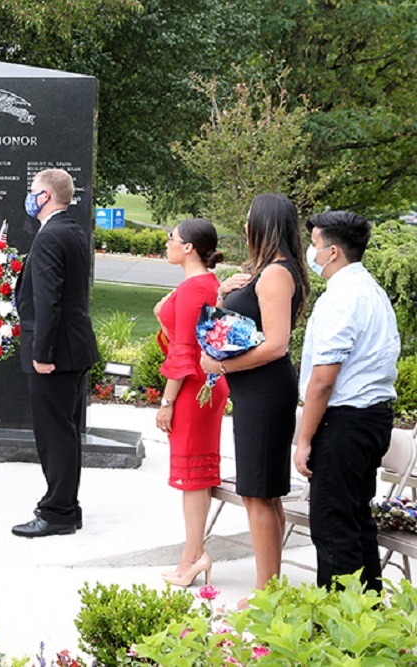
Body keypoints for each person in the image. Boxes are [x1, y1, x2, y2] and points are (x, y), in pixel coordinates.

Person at [201, 193, 308, 593]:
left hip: (265, 392)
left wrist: (222, 366)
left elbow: (276, 344)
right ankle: (272, 588)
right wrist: (222, 295)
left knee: (258, 494)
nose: (245, 226)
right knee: (263, 494)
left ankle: (267, 594)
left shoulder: (277, 273)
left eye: (249, 219)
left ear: (263, 224)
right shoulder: (265, 271)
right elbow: (239, 327)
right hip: (255, 393)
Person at [294, 211, 399, 592]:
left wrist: (304, 439)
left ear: (333, 251)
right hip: (372, 419)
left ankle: (338, 631)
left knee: (333, 525)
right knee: (357, 521)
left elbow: (323, 380)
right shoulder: (370, 290)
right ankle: (368, 622)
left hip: (346, 422)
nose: (312, 251)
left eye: (315, 244)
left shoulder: (343, 297)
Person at [11, 168, 99, 538]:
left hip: (55, 352)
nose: (29, 197)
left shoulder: (51, 237)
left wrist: (42, 352)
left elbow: (49, 301)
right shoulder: (73, 231)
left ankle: (58, 511)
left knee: (54, 434)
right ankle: (66, 505)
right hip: (74, 347)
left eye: (33, 191)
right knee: (65, 430)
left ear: (45, 196)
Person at [154, 219, 228, 585]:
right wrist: (160, 317)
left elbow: (185, 352)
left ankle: (194, 557)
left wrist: (167, 401)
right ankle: (193, 554)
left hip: (194, 389)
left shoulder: (195, 287)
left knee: (193, 476)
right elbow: (187, 340)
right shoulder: (205, 285)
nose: (167, 243)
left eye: (171, 239)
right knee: (193, 474)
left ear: (188, 248)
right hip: (204, 385)